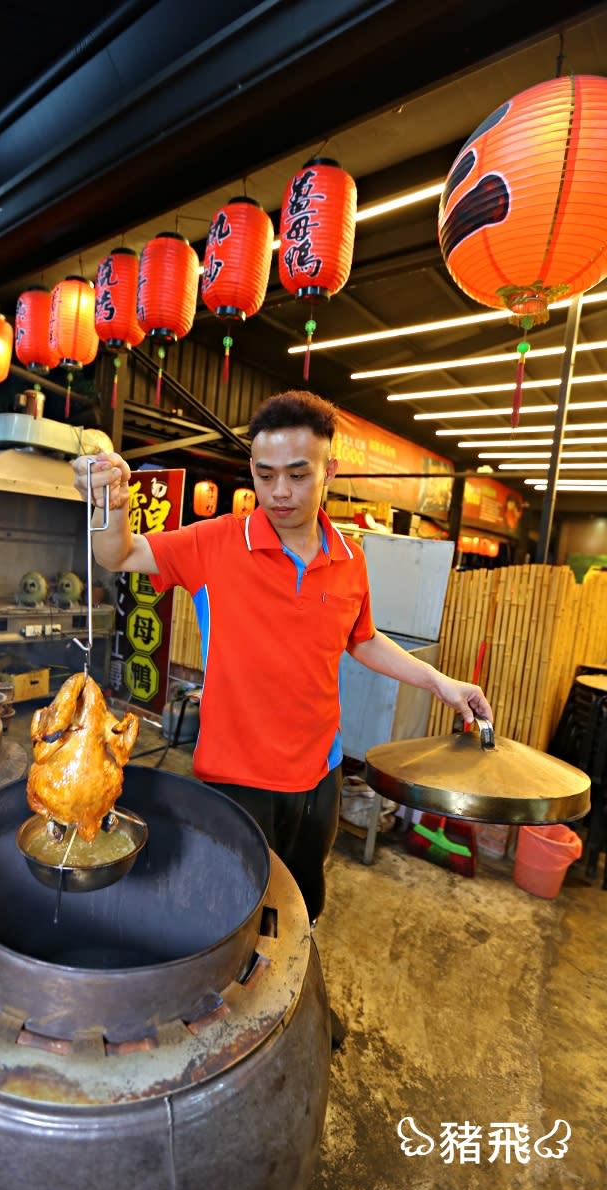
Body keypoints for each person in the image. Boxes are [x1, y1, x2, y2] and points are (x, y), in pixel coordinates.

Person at [73, 390, 492, 1026]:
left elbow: (364, 639)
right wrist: (108, 501)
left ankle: (291, 1012)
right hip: (235, 778)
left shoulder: (350, 560)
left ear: (330, 473)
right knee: (234, 910)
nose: (281, 491)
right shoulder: (217, 542)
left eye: (299, 474)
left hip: (318, 774)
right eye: (265, 475)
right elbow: (120, 555)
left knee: (302, 902)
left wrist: (441, 684)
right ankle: (234, 1026)